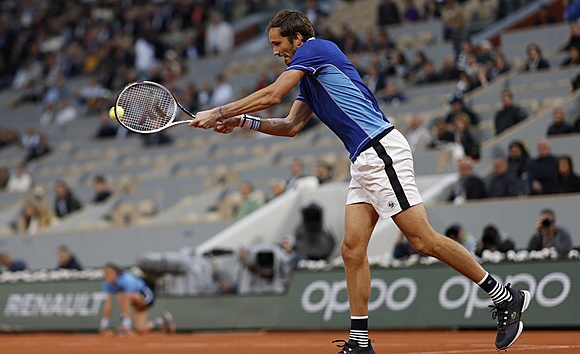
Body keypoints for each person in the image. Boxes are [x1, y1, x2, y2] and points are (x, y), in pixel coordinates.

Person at [189, 10, 530, 353]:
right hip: (362, 160)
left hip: (381, 149)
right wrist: (243, 123)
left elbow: (273, 95)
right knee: (352, 249)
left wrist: (219, 112)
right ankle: (360, 342)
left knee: (422, 240)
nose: (275, 51)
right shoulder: (308, 75)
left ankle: (504, 296)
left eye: (278, 44)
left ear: (297, 38)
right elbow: (291, 126)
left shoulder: (315, 48)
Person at [100, 263, 175, 335]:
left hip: (146, 296)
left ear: (116, 272)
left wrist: (125, 325)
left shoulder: (126, 280)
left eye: (109, 273)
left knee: (122, 295)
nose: (107, 275)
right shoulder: (106, 283)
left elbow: (126, 297)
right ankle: (163, 320)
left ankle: (125, 325)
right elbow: (108, 303)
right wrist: (104, 324)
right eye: (105, 273)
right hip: (136, 303)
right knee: (141, 329)